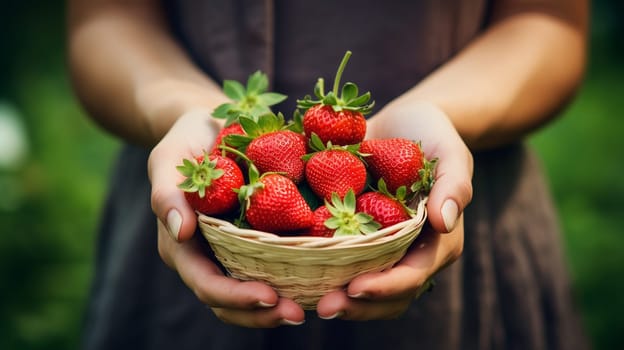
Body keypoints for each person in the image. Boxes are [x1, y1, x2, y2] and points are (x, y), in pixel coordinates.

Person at [67, 0, 590, 349]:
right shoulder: (240, 175)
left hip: (461, 227)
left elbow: (549, 21)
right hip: (188, 213)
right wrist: (183, 109)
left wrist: (438, 114)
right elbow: (105, 18)